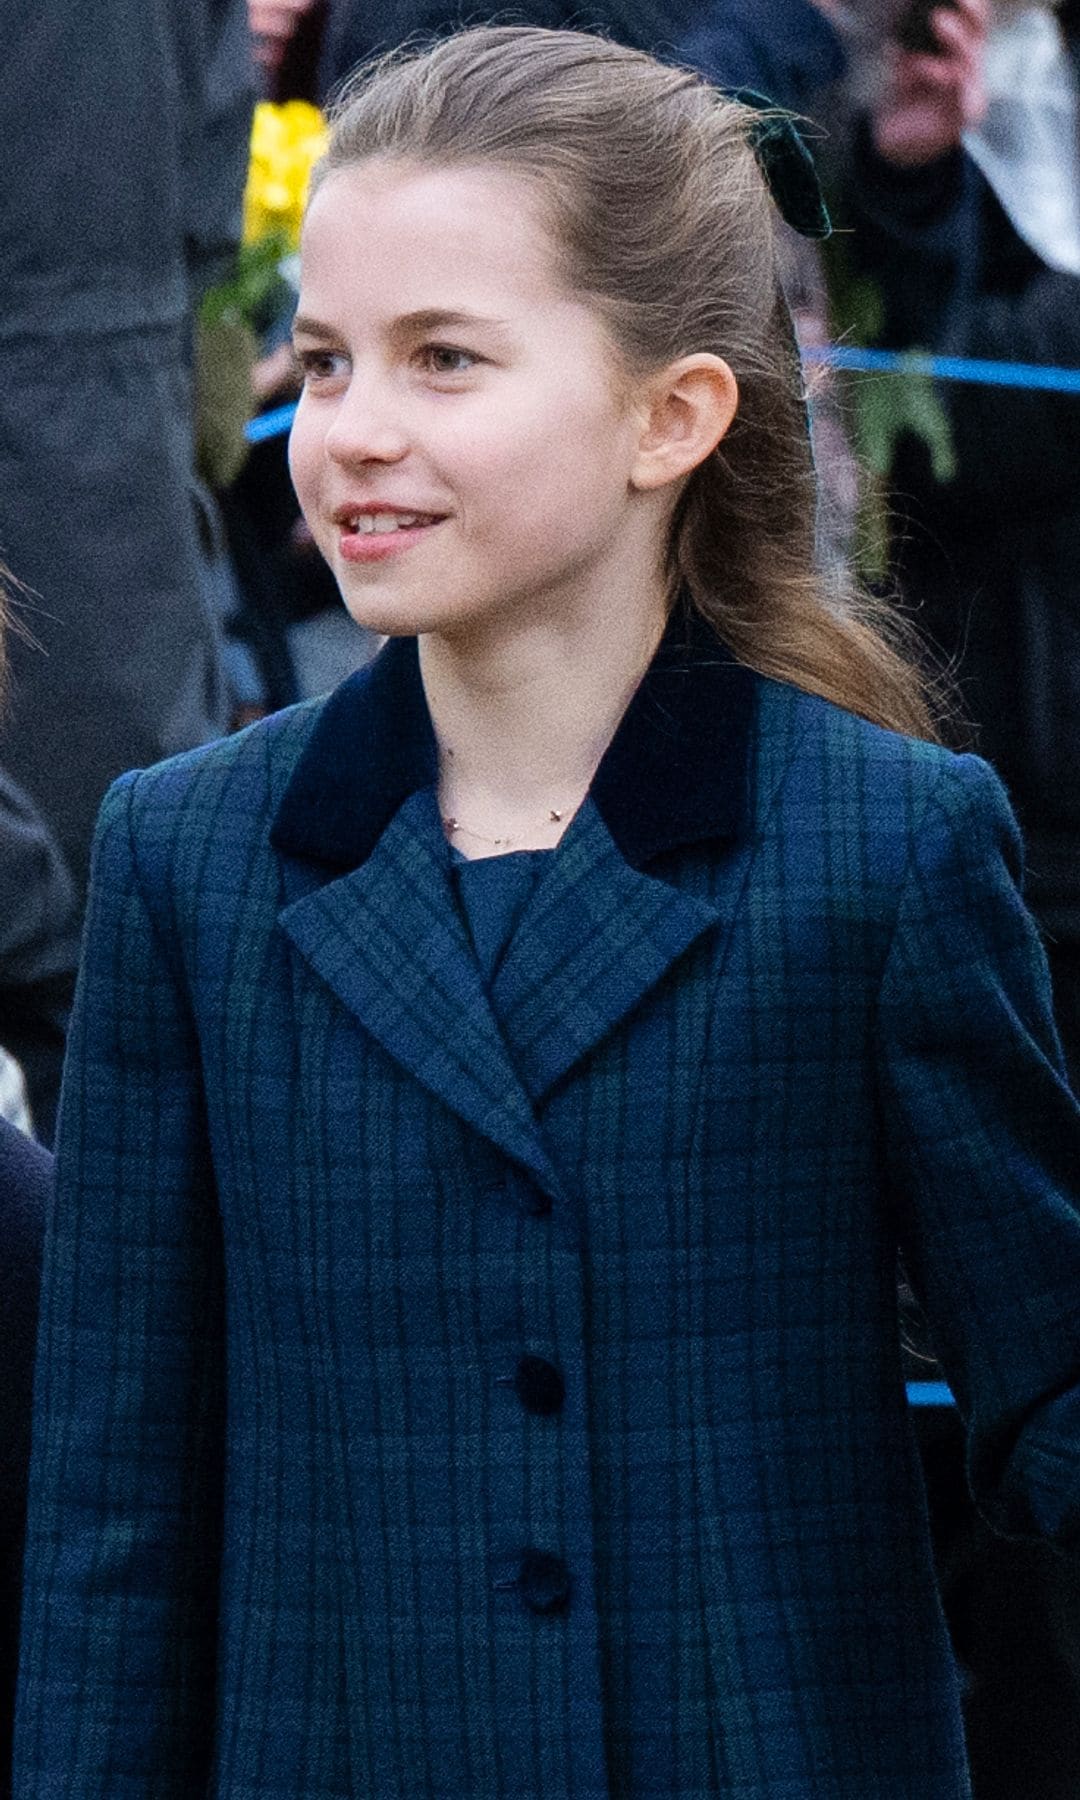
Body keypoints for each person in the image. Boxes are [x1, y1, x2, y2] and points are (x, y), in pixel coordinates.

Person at [13, 27, 1080, 1797]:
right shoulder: (186, 860)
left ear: (674, 414)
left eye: (445, 361)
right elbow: (117, 1521)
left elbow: (1045, 1383)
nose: (352, 432)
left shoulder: (883, 848)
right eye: (333, 360)